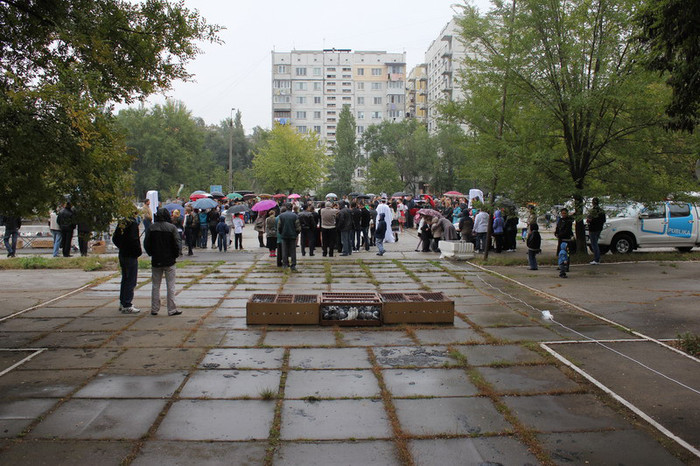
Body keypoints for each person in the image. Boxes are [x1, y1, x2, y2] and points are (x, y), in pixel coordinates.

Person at [144, 208, 182, 316]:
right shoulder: (172, 228)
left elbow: (146, 243)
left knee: (155, 285)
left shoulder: (151, 228)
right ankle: (172, 309)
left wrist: (151, 253)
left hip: (156, 260)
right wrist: (175, 254)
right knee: (170, 286)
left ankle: (154, 308)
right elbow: (177, 243)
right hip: (169, 260)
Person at [112, 215, 142, 314]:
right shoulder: (132, 224)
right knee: (131, 280)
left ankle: (123, 301)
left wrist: (121, 246)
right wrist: (137, 252)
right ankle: (127, 304)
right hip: (130, 255)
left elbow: (115, 238)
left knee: (125, 279)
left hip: (123, 253)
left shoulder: (122, 222)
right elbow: (134, 240)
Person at [277, 204, 301, 270]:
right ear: (292, 208)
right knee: (293, 251)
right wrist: (296, 233)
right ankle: (293, 265)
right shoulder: (295, 216)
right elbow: (298, 227)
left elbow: (279, 226)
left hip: (284, 235)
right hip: (292, 235)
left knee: (284, 250)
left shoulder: (281, 216)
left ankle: (285, 264)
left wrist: (281, 233)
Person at [586, 197, 606, 265]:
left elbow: (589, 219)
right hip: (599, 229)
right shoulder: (601, 211)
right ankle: (597, 258)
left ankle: (596, 259)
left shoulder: (592, 211)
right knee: (596, 243)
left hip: (592, 229)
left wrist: (590, 221)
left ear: (593, 203)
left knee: (594, 244)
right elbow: (604, 220)